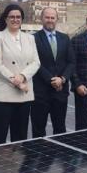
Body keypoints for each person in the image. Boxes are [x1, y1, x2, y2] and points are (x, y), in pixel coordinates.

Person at [0, 4, 39, 145]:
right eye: (12, 17)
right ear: (5, 19)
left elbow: (36, 62)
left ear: (22, 19)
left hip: (24, 97)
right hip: (2, 97)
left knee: (20, 142)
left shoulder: (30, 38)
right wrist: (16, 81)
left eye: (18, 17)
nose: (15, 19)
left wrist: (22, 76)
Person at [31, 7, 74, 137]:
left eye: (52, 18)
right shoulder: (33, 39)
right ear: (41, 19)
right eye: (47, 17)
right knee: (38, 129)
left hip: (60, 92)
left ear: (57, 19)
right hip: (40, 93)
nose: (50, 20)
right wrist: (51, 80)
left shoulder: (65, 38)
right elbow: (34, 62)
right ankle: (38, 156)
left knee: (60, 129)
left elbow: (71, 62)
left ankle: (60, 156)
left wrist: (62, 79)